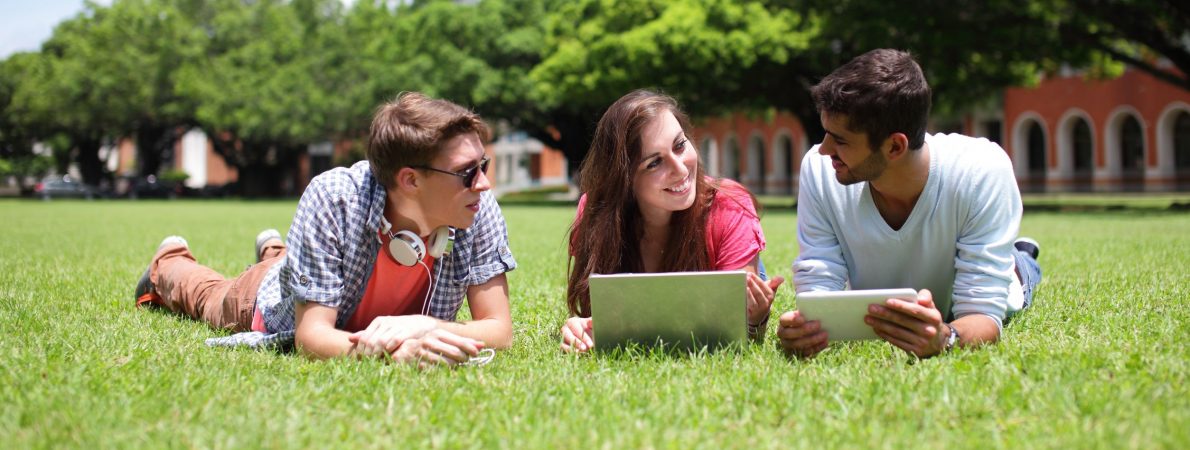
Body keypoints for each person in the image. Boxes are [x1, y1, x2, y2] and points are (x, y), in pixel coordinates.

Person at [133, 92, 517, 367]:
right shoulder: (334, 199)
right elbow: (312, 337)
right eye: (468, 172)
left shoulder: (473, 206)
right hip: (266, 300)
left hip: (316, 274)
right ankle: (168, 263)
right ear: (411, 180)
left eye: (483, 166)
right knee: (211, 297)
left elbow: (499, 330)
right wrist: (387, 353)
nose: (483, 182)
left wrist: (425, 326)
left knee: (288, 263)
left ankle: (276, 250)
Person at [777, 49, 1043, 359]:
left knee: (1018, 274)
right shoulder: (820, 170)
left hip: (1000, 279)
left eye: (841, 140)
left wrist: (947, 338)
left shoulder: (981, 171)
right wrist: (808, 328)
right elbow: (819, 284)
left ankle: (1023, 258)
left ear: (894, 146)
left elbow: (983, 313)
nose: (824, 150)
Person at [560, 89, 784, 352]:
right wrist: (581, 329)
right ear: (624, 178)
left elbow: (734, 333)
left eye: (680, 145)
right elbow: (597, 316)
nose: (680, 169)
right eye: (654, 163)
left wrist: (754, 319)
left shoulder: (729, 205)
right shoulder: (596, 212)